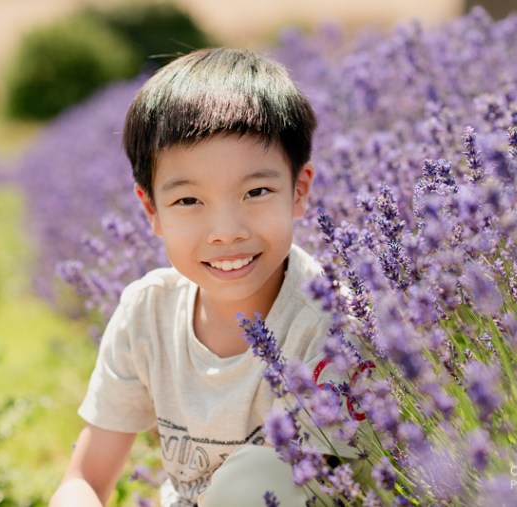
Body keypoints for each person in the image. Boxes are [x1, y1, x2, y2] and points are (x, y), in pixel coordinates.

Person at [50, 47, 337, 507]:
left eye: (256, 191)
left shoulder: (329, 322)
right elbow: (83, 478)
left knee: (261, 479)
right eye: (189, 201)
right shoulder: (148, 311)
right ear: (152, 210)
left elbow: (305, 484)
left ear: (299, 191)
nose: (225, 232)